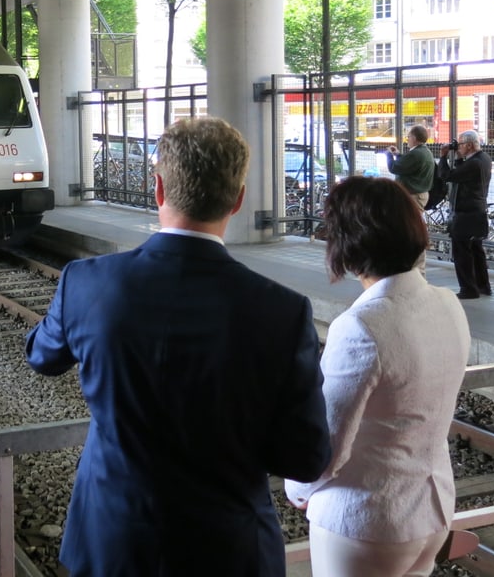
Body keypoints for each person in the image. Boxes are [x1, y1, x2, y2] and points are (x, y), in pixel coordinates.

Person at [25, 116, 331, 577]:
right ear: (239, 200)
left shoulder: (86, 284)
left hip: (113, 540)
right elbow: (305, 458)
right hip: (228, 549)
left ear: (159, 190)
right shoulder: (283, 311)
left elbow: (42, 357)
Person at [285, 176, 471, 577]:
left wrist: (297, 490)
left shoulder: (362, 325)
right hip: (431, 508)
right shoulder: (448, 304)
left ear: (348, 246)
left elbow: (327, 446)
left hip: (366, 523)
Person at [438, 130, 492, 299]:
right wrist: (459, 157)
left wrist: (443, 156)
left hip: (466, 213)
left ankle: (468, 289)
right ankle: (483, 286)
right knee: (476, 251)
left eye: (460, 145)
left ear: (469, 145)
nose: (458, 147)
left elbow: (447, 175)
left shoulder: (474, 163)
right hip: (478, 212)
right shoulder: (483, 159)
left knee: (461, 252)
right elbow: (462, 172)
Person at [387, 124, 434, 210]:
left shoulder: (416, 154)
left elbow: (393, 167)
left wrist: (388, 154)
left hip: (413, 196)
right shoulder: (425, 151)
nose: (407, 139)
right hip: (419, 195)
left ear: (414, 138)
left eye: (408, 136)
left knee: (407, 222)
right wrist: (398, 155)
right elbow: (408, 166)